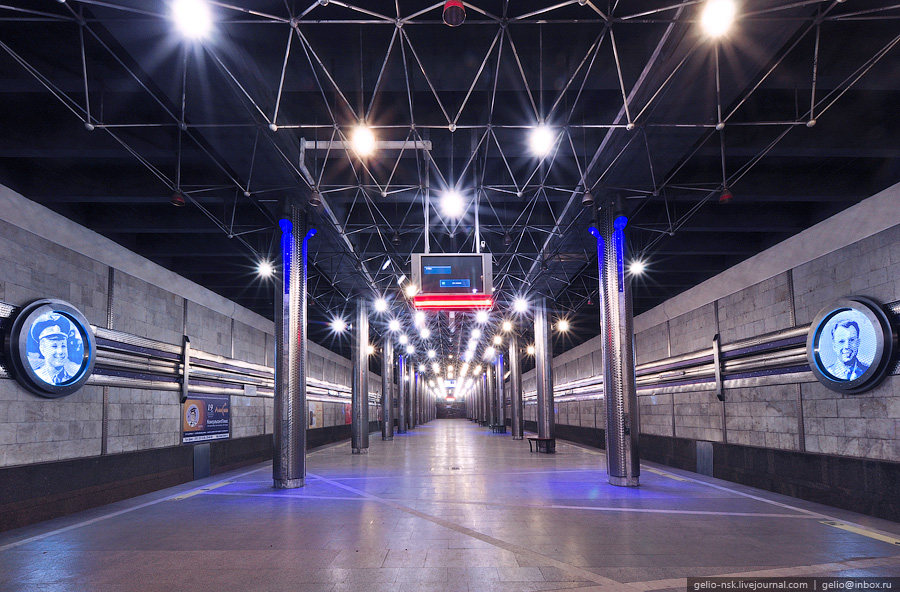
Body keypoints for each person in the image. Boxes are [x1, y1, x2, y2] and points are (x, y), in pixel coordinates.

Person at [31, 318, 82, 385]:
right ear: (42, 349)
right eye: (54, 346)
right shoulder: (35, 376)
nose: (60, 351)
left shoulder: (72, 379)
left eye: (63, 346)